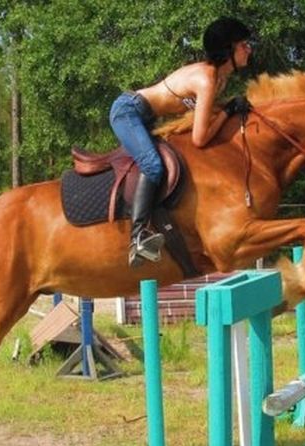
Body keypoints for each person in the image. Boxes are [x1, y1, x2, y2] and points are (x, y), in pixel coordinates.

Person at [109, 16, 254, 267]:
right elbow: (200, 138)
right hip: (128, 111)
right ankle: (138, 238)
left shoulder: (219, 79)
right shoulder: (207, 79)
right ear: (228, 50)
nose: (249, 49)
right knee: (153, 166)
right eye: (243, 44)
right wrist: (228, 112)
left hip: (145, 117)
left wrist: (227, 110)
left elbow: (206, 119)